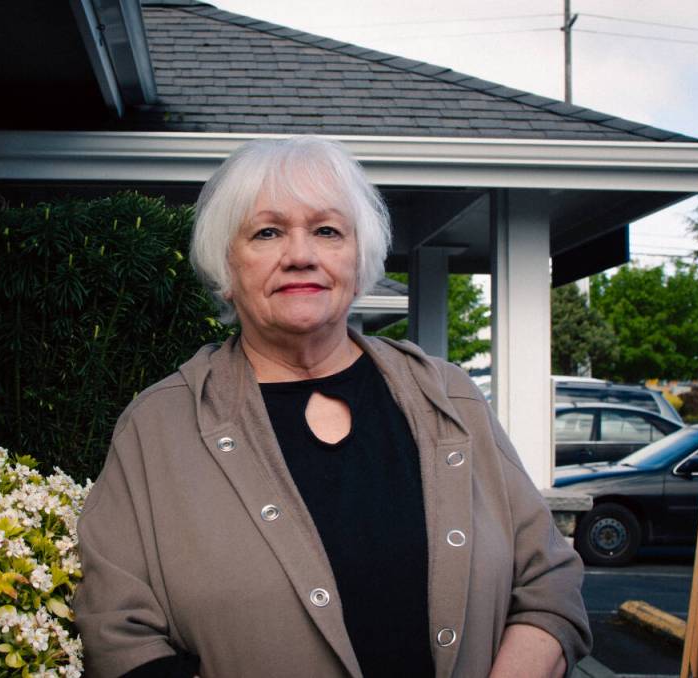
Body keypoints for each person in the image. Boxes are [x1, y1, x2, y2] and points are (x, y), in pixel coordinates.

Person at [74, 136, 591, 678]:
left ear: (359, 256)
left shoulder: (451, 399)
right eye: (267, 232)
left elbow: (548, 584)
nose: (300, 255)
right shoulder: (158, 426)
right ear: (226, 267)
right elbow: (118, 632)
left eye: (327, 231)